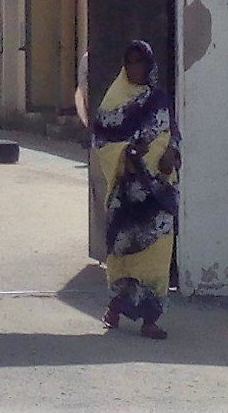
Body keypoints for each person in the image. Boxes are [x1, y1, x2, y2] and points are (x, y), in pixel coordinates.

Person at [91, 39, 181, 340]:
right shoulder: (114, 101)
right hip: (127, 195)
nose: (136, 68)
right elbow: (103, 141)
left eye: (141, 62)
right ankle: (115, 308)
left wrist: (172, 153)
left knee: (157, 255)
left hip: (159, 194)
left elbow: (172, 133)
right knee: (123, 254)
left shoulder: (159, 99)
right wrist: (129, 152)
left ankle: (150, 319)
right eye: (130, 62)